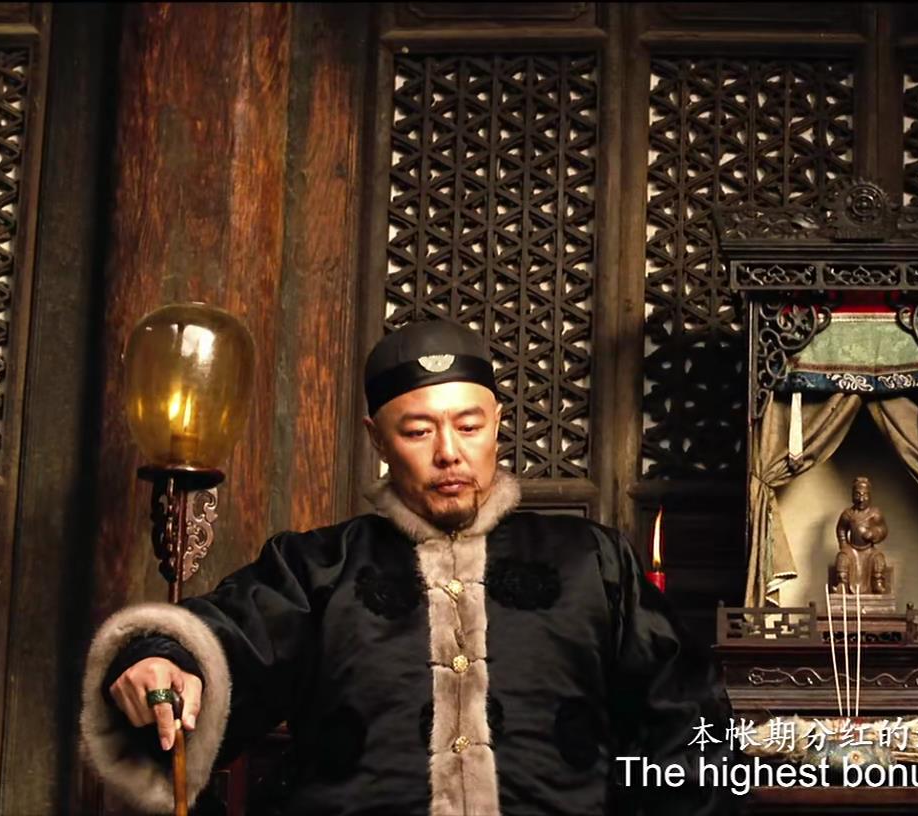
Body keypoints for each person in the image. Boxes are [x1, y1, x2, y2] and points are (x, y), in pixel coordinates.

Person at [81, 321, 737, 815]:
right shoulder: (317, 568)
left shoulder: (592, 561)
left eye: (469, 426)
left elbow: (685, 723)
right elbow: (218, 640)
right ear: (377, 438)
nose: (449, 453)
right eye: (418, 432)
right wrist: (162, 657)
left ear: (498, 425)